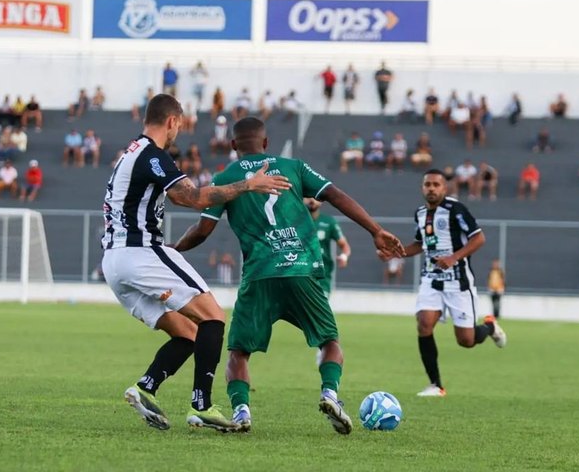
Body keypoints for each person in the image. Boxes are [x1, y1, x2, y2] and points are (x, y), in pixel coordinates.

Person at [173, 117, 405, 434]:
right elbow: (336, 195)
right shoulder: (294, 167)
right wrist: (376, 231)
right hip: (302, 271)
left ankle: (241, 412)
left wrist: (173, 249)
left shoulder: (225, 179)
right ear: (266, 143)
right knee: (329, 341)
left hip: (259, 275)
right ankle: (330, 394)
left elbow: (202, 231)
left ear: (232, 146)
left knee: (239, 351)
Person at [104, 95, 290, 433]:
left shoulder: (130, 153)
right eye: (180, 124)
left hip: (115, 263)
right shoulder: (151, 154)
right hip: (139, 251)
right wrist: (249, 185)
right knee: (213, 317)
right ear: (173, 121)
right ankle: (201, 405)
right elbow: (189, 197)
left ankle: (146, 387)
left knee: (189, 333)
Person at [380, 170, 506, 397]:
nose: (431, 188)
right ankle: (436, 385)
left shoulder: (456, 210)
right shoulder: (419, 213)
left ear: (444, 188)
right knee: (424, 324)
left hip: (458, 282)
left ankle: (489, 326)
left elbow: (479, 238)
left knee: (466, 341)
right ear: (422, 188)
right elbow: (421, 244)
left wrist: (454, 257)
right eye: (427, 184)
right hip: (432, 279)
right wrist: (396, 253)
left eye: (436, 184)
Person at [305, 198, 351, 296]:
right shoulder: (295, 221)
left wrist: (344, 256)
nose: (312, 200)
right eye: (308, 197)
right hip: (301, 272)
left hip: (322, 274)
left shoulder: (329, 222)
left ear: (321, 201)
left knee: (319, 309)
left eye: (315, 197)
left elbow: (344, 245)